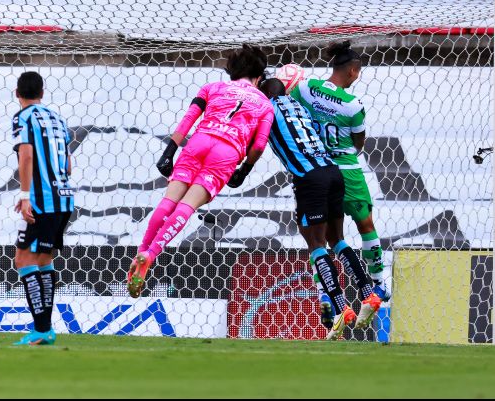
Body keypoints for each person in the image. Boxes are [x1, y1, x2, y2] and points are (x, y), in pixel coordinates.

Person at [127, 44, 274, 298]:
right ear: (259, 77)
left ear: (232, 72)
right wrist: (245, 170)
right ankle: (151, 256)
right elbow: (259, 145)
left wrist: (169, 151)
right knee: (187, 206)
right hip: (227, 151)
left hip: (199, 141)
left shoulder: (213, 88)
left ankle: (142, 250)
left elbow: (189, 118)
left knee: (168, 201)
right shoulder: (264, 104)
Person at [238, 78, 381, 339]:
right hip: (333, 172)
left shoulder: (266, 110)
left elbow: (256, 145)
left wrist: (240, 171)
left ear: (266, 95)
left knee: (316, 245)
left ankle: (340, 309)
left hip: (309, 179)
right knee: (337, 240)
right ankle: (367, 292)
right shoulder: (298, 106)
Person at [290, 41, 390, 320]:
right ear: (354, 71)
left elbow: (292, 114)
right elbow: (359, 142)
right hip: (346, 168)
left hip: (314, 168)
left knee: (320, 238)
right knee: (365, 223)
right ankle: (379, 284)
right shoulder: (352, 105)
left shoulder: (306, 88)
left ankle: (326, 294)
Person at [11, 71, 74, 346]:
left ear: (17, 94)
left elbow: (25, 156)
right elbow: (68, 165)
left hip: (42, 201)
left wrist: (27, 195)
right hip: (64, 198)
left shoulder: (22, 117)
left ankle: (41, 328)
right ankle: (45, 329)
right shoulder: (58, 118)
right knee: (44, 260)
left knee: (23, 260)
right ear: (42, 93)